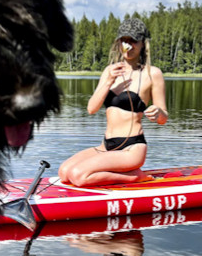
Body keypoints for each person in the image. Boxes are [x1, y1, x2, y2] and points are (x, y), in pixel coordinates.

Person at [59, 18, 168, 187]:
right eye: (124, 40)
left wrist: (158, 113)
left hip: (132, 148)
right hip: (106, 146)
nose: (128, 45)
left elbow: (163, 118)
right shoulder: (109, 71)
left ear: (142, 44)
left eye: (133, 41)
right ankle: (118, 172)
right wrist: (108, 81)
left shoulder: (152, 73)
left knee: (78, 176)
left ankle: (135, 177)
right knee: (64, 173)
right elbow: (91, 109)